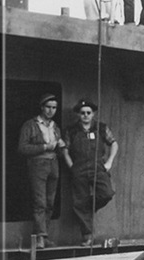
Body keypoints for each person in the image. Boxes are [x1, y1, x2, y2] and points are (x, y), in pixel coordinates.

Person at [62, 99, 118, 246]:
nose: (85, 115)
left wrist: (109, 162)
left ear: (93, 114)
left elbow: (114, 143)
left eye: (88, 113)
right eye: (82, 113)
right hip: (79, 169)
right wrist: (71, 166)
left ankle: (85, 209)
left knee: (106, 193)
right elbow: (65, 150)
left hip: (97, 167)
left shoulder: (101, 128)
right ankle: (87, 237)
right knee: (80, 201)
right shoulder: (71, 130)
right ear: (78, 115)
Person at [17, 93, 66, 248]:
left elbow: (59, 145)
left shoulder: (55, 126)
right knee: (40, 202)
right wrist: (44, 147)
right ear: (42, 107)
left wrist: (61, 145)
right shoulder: (30, 125)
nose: (51, 111)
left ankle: (44, 236)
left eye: (54, 108)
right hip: (38, 164)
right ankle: (40, 236)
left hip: (53, 164)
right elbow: (22, 148)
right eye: (48, 107)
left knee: (50, 202)